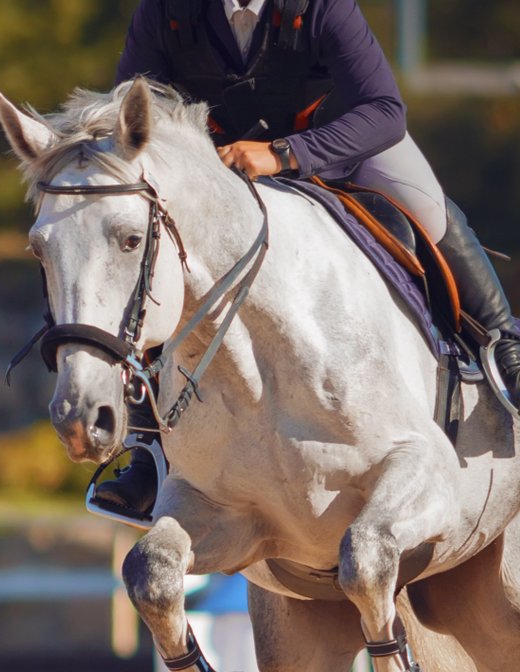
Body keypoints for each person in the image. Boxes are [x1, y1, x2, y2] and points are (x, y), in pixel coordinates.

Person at [96, 0, 520, 521]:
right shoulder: (165, 11)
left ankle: (505, 344)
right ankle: (149, 446)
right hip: (221, 168)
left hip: (342, 143)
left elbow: (384, 111)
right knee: (149, 248)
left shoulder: (322, 5)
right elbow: (131, 118)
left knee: (429, 210)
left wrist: (285, 154)